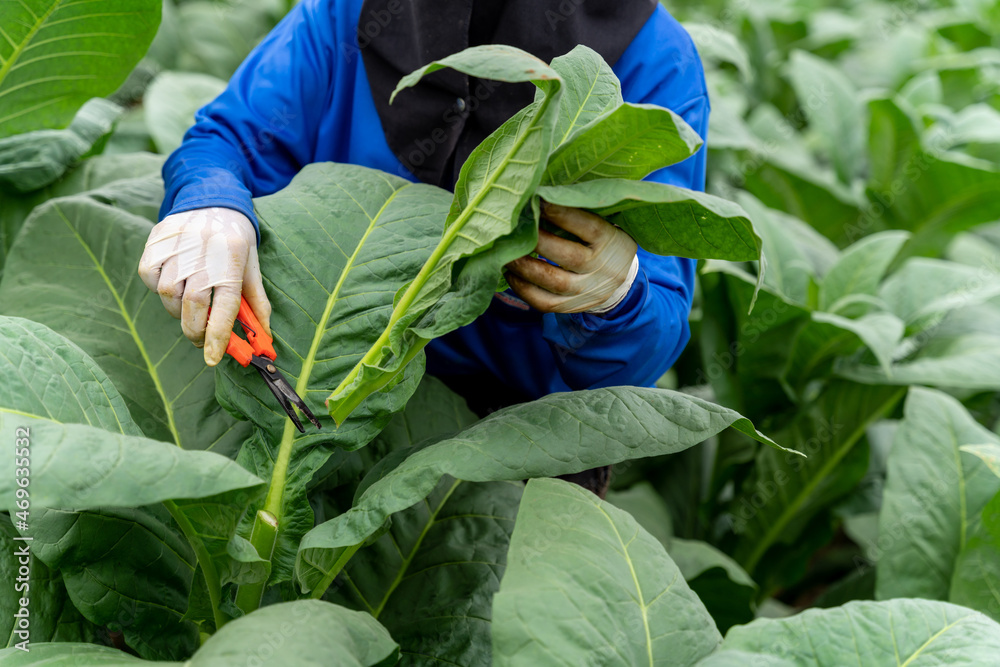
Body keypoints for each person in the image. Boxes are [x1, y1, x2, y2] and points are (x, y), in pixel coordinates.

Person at [138, 0, 709, 455]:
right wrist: (210, 203)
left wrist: (618, 297)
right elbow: (229, 139)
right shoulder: (349, 11)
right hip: (309, 385)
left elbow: (645, 355)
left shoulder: (657, 59)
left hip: (513, 446)